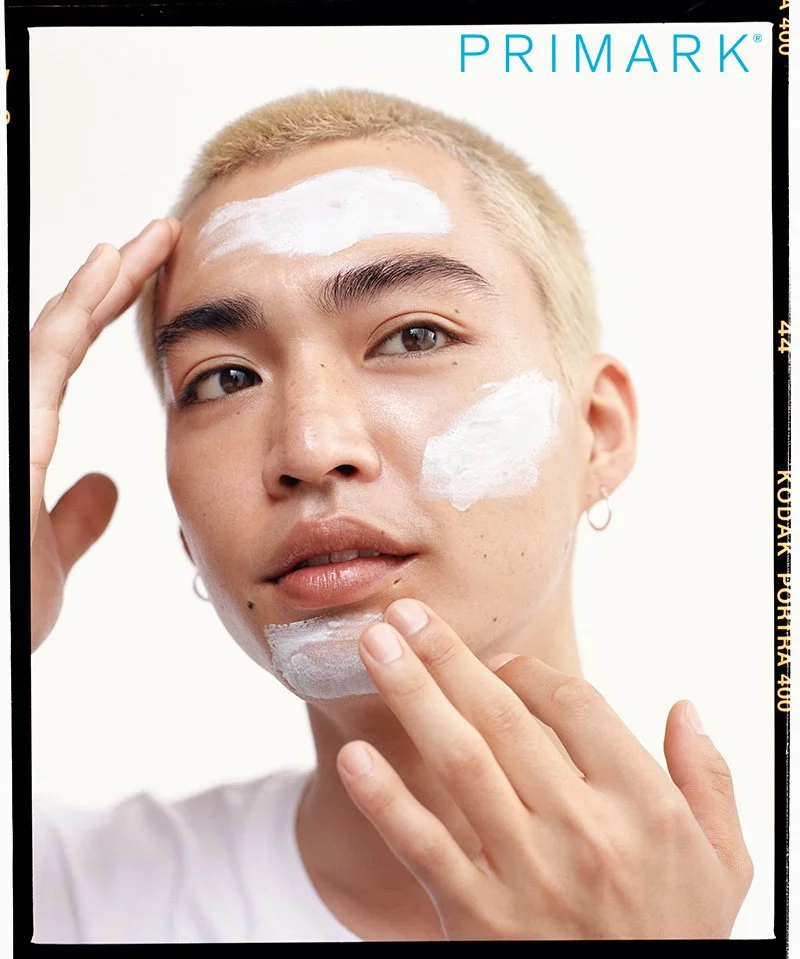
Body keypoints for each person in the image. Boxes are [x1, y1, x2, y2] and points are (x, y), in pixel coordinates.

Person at [29, 88, 754, 942]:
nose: (309, 447)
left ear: (596, 430)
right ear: (183, 524)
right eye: (224, 378)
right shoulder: (57, 901)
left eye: (414, 336)